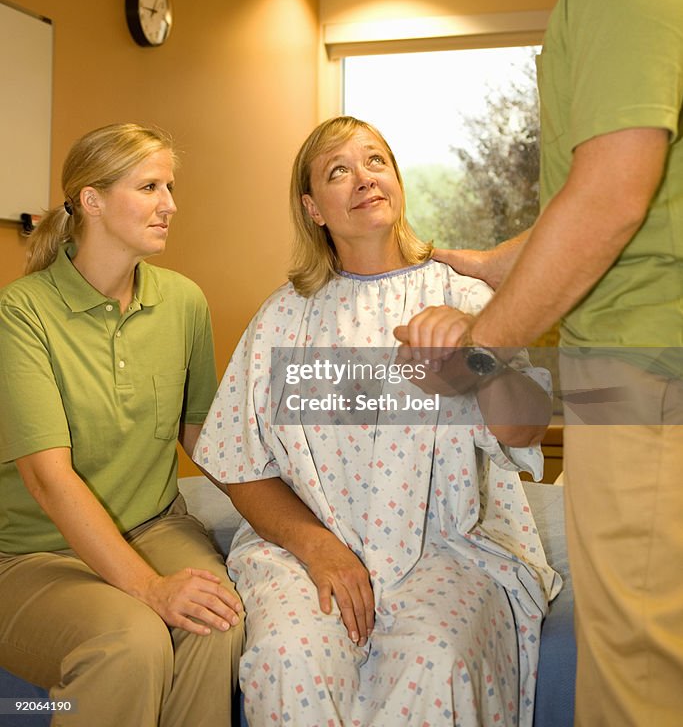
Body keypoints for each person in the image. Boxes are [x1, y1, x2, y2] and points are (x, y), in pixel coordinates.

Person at [396, 0, 683, 727]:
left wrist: (479, 351)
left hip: (648, 375)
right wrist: (490, 262)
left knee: (635, 679)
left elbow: (610, 198)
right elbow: (611, 191)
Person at [194, 115, 558, 727]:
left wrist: (478, 357)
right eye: (339, 171)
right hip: (308, 550)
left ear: (396, 182)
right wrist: (320, 549)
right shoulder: (283, 319)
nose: (363, 178)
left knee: (435, 660)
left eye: (375, 162)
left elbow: (525, 432)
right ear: (313, 208)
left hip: (448, 548)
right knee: (290, 658)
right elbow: (238, 464)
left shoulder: (463, 298)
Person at [0, 123, 244, 727]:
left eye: (170, 185)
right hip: (36, 555)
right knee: (130, 644)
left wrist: (306, 502)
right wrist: (150, 589)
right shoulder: (21, 312)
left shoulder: (183, 300)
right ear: (92, 201)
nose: (171, 204)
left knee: (216, 621)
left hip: (157, 525)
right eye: (150, 186)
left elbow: (202, 437)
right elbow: (47, 480)